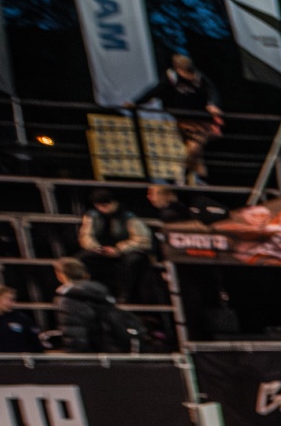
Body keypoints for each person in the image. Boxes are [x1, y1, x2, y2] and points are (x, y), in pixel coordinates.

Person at [134, 53, 225, 183]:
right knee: (193, 148)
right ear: (178, 69)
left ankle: (188, 173)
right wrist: (136, 103)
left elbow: (211, 91)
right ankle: (190, 174)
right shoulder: (171, 78)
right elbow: (155, 92)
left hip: (200, 119)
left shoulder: (198, 78)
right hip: (181, 119)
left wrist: (212, 104)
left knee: (196, 147)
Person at [78, 190, 156, 302]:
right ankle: (91, 294)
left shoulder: (128, 216)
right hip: (102, 251)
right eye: (99, 205)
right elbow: (86, 236)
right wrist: (96, 248)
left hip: (126, 251)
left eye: (106, 204)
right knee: (83, 259)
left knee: (134, 260)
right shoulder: (92, 216)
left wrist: (119, 249)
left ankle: (125, 296)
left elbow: (143, 239)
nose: (103, 208)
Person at [52, 258, 141, 354]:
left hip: (86, 354)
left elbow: (74, 332)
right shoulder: (101, 292)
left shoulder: (67, 299)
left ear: (60, 275)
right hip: (109, 349)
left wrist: (72, 356)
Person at [0, 283, 39, 354]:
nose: (13, 303)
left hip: (18, 359)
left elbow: (33, 341)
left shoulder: (19, 317)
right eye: (9, 299)